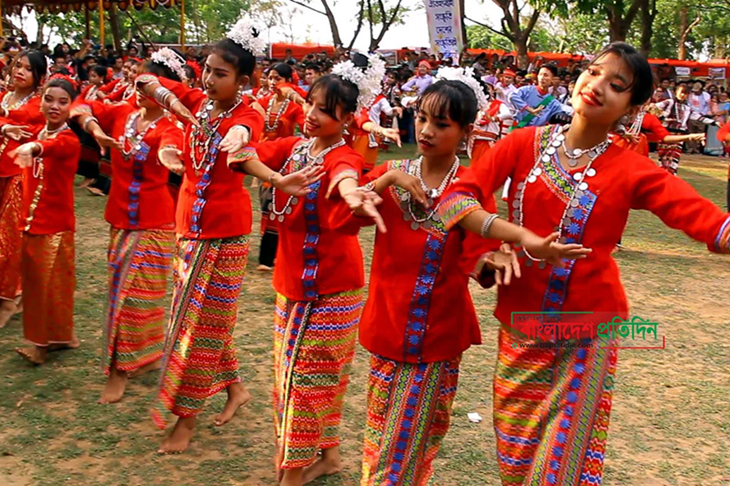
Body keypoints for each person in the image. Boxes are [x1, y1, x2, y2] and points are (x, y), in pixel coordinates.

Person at [438, 42, 730, 486]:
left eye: (617, 84)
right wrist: (491, 247)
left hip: (587, 333)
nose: (597, 85)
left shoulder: (632, 169)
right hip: (521, 326)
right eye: (593, 72)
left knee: (559, 467)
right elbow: (457, 198)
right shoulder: (522, 144)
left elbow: (705, 219)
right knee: (516, 461)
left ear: (631, 107)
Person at [342, 73, 586, 486]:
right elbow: (345, 222)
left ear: (467, 131)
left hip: (437, 333)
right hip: (386, 325)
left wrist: (493, 257)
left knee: (405, 444)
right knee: (382, 431)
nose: (426, 130)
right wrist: (385, 181)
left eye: (441, 124)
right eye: (422, 118)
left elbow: (477, 253)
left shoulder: (470, 189)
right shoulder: (393, 172)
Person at [135, 16, 319, 454]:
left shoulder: (247, 113)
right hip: (188, 228)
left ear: (243, 81)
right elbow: (146, 80)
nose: (209, 79)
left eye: (221, 74)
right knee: (203, 320)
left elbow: (243, 138)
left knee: (195, 327)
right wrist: (171, 121)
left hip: (225, 235)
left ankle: (186, 418)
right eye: (207, 70)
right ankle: (235, 388)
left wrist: (259, 160)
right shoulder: (198, 103)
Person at [239, 53, 382, 486]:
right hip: (291, 283)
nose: (313, 115)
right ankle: (329, 456)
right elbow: (244, 154)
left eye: (326, 110)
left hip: (333, 288)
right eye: (311, 104)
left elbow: (345, 175)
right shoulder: (294, 149)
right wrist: (269, 170)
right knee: (297, 377)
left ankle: (293, 473)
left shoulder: (343, 156)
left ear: (348, 119)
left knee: (306, 382)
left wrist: (351, 193)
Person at [72, 49, 187, 403]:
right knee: (121, 294)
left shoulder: (169, 128)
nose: (141, 91)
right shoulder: (122, 113)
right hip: (120, 219)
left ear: (166, 93)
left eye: (151, 87)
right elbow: (81, 106)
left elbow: (170, 148)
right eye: (139, 84)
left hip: (154, 222)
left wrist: (168, 157)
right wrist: (95, 130)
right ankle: (137, 358)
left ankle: (122, 369)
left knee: (137, 298)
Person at [12, 75, 80, 364]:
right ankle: (63, 337)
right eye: (49, 100)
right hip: (33, 221)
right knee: (47, 284)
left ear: (71, 107)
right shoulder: (37, 132)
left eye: (63, 102)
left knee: (45, 286)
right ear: (40, 101)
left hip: (54, 225)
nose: (55, 106)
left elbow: (52, 148)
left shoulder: (68, 140)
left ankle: (41, 346)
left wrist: (33, 148)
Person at [0, 50, 46, 328]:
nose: (20, 71)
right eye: (18, 65)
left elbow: (25, 119)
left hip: (19, 175)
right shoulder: (4, 97)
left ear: (38, 77)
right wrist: (5, 127)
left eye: (28, 69)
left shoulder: (38, 104)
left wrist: (5, 120)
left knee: (8, 237)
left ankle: (10, 298)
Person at [656, 84, 718, 175]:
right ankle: (663, 175)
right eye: (681, 92)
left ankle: (671, 176)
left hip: (680, 135)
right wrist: (662, 118)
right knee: (664, 156)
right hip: (666, 133)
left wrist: (714, 122)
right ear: (675, 92)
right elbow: (652, 108)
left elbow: (699, 117)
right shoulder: (668, 102)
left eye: (685, 93)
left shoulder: (687, 108)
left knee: (674, 157)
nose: (682, 95)